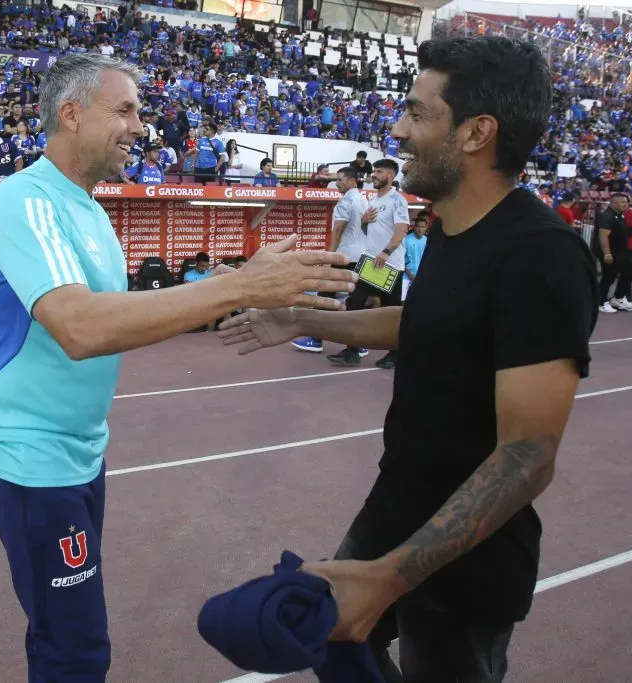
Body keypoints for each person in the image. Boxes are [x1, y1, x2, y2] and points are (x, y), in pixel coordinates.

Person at [0, 53, 356, 683]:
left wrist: (239, 291)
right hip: (30, 456)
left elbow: (119, 314)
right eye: (124, 109)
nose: (140, 126)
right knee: (77, 648)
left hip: (79, 453)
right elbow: (81, 327)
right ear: (71, 115)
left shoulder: (89, 210)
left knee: (61, 635)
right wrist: (233, 288)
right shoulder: (24, 200)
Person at [219, 36, 598, 682]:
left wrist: (387, 577)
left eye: (419, 113)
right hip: (395, 504)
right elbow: (426, 321)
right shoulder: (453, 228)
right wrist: (303, 318)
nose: (398, 127)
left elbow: (527, 457)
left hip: (467, 555)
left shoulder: (541, 257)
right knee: (332, 647)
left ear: (479, 133)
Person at [327, 159, 408, 369]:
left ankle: (396, 352)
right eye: (374, 171)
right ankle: (353, 351)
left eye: (379, 172)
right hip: (371, 262)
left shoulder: (397, 200)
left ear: (390, 176)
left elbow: (401, 231)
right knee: (354, 304)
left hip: (389, 265)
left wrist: (386, 252)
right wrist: (363, 221)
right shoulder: (373, 200)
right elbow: (368, 232)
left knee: (390, 310)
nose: (373, 175)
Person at [291, 166, 370, 355]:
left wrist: (329, 256)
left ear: (352, 181)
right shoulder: (365, 200)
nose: (337, 183)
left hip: (344, 256)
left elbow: (338, 230)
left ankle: (316, 339)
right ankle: (358, 344)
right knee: (356, 302)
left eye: (341, 180)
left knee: (324, 297)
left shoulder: (346, 202)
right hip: (362, 256)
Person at [594, 193, 632, 313]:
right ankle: (600, 302)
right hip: (611, 252)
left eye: (626, 202)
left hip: (622, 251)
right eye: (622, 202)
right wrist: (607, 253)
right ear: (613, 203)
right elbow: (603, 235)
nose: (626, 204)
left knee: (630, 271)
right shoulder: (607, 216)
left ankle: (617, 298)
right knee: (608, 277)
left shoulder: (620, 215)